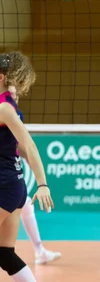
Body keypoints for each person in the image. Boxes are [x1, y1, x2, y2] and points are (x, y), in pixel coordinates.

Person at [0, 52, 54, 282]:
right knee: (4, 254)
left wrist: (42, 184)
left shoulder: (4, 108)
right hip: (13, 185)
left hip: (4, 186)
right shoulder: (7, 107)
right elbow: (20, 148)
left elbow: (30, 145)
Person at [7, 86, 61, 265]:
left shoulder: (16, 114)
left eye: (16, 95)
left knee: (27, 205)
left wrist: (33, 164)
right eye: (11, 94)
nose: (14, 98)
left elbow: (19, 145)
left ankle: (39, 251)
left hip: (7, 173)